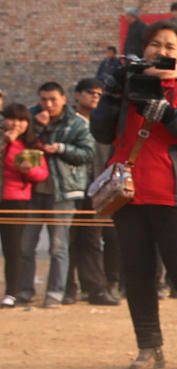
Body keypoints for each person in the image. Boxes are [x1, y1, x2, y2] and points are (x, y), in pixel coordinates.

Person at [89, 19, 177, 369]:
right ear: (143, 48)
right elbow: (101, 131)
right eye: (155, 44)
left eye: (170, 46)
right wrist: (112, 93)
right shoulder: (126, 85)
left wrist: (168, 112)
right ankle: (148, 347)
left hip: (173, 193)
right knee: (137, 272)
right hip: (128, 193)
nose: (161, 51)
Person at [18, 82, 94, 307]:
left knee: (58, 247)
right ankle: (24, 291)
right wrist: (39, 129)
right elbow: (23, 149)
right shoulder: (30, 118)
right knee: (25, 246)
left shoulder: (78, 123)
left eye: (52, 99)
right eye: (43, 99)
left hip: (63, 193)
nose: (48, 104)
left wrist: (61, 148)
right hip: (32, 192)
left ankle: (55, 293)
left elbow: (87, 154)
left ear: (63, 99)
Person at [63, 78, 120, 306]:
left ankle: (99, 287)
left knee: (100, 239)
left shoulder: (104, 122)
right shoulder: (68, 122)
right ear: (77, 95)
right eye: (90, 93)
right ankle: (71, 288)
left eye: (99, 93)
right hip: (72, 187)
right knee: (71, 240)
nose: (95, 97)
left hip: (100, 188)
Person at [1, 103, 49, 308]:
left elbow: (42, 173)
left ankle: (11, 292)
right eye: (11, 118)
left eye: (21, 120)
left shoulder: (30, 144)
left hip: (15, 199)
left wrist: (28, 171)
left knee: (13, 248)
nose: (16, 124)